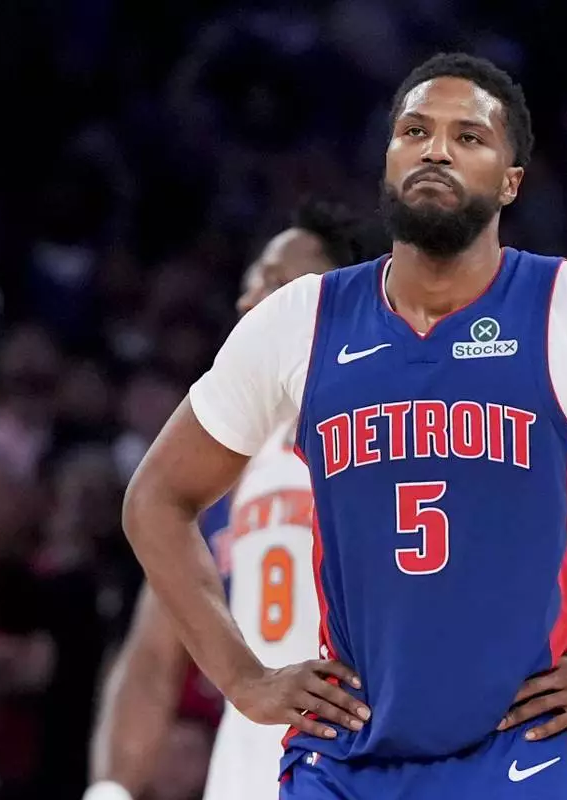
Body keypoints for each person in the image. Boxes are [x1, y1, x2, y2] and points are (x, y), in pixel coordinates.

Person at [121, 53, 567, 800]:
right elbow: (155, 499)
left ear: (511, 181)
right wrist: (244, 679)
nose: (436, 150)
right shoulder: (299, 321)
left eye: (469, 137)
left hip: (515, 758)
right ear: (389, 160)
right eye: (415, 131)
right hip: (342, 760)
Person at [86, 199, 370, 800]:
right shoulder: (221, 463)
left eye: (275, 282)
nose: (248, 302)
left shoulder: (398, 433)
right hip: (250, 776)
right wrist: (111, 790)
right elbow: (153, 658)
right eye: (249, 284)